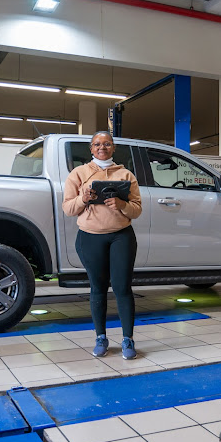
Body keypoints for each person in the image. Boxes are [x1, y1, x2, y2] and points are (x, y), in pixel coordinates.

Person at [62, 132, 142, 359]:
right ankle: (101, 337)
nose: (102, 147)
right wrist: (83, 199)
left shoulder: (125, 174)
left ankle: (128, 339)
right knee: (97, 288)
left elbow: (137, 209)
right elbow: (68, 208)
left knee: (122, 288)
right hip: (90, 237)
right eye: (97, 144)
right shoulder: (78, 174)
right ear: (91, 148)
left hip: (121, 237)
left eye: (106, 144)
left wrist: (121, 204)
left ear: (113, 147)